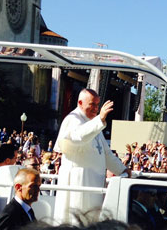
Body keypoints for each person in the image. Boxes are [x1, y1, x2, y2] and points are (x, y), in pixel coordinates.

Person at [52, 89, 130, 224]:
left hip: (93, 184)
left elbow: (106, 154)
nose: (96, 109)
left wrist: (122, 170)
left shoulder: (93, 123)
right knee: (77, 221)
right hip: (79, 182)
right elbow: (78, 137)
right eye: (92, 105)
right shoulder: (73, 119)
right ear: (80, 103)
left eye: (97, 105)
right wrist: (100, 119)